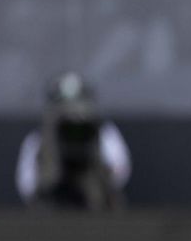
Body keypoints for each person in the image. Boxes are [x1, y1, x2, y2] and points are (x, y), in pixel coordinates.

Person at [15, 72, 131, 210]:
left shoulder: (104, 133)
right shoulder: (38, 138)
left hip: (97, 207)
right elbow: (28, 186)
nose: (71, 109)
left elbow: (119, 173)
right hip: (52, 209)